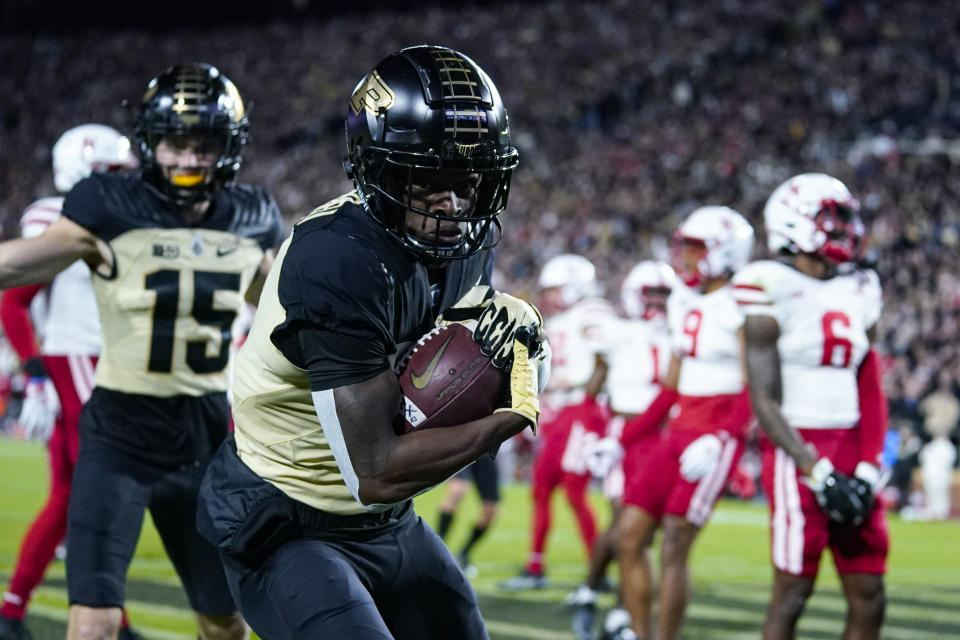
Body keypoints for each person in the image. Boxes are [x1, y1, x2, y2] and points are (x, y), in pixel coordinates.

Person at [195, 45, 546, 640]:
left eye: (469, 180)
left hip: (386, 522)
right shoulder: (337, 258)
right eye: (430, 178)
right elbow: (376, 470)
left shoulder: (466, 241)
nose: (454, 204)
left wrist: (506, 337)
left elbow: (441, 370)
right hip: (289, 518)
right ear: (378, 169)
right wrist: (507, 419)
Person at [0, 63, 282, 640]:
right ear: (152, 144)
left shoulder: (252, 219)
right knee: (95, 623)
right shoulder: (107, 205)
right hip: (119, 436)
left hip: (205, 439)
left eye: (202, 146)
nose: (186, 160)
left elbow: (284, 307)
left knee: (226, 623)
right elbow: (17, 263)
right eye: (176, 144)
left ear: (226, 148)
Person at [0, 125, 141, 640]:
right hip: (77, 360)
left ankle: (18, 611)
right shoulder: (57, 213)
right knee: (99, 491)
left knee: (70, 496)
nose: (128, 180)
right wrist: (36, 373)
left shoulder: (118, 216)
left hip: (100, 361)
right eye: (115, 171)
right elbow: (13, 300)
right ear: (87, 171)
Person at [736, 173, 888, 640]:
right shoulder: (766, 283)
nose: (844, 229)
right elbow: (764, 399)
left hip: (851, 446)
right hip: (796, 452)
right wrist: (815, 470)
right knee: (793, 593)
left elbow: (870, 385)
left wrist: (866, 467)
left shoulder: (861, 285)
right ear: (792, 223)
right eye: (832, 218)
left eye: (845, 219)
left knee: (870, 594)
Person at [616, 206, 755, 640]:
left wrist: (722, 438)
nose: (686, 257)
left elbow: (756, 388)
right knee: (628, 535)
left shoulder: (744, 301)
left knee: (675, 542)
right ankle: (640, 634)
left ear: (725, 251)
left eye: (695, 248)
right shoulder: (682, 298)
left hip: (715, 434)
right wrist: (623, 437)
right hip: (678, 431)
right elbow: (672, 386)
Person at [571, 260, 675, 640]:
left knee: (644, 533)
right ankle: (599, 591)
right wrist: (599, 434)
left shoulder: (679, 332)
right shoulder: (614, 332)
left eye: (665, 295)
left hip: (663, 436)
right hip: (623, 433)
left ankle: (613, 606)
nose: (659, 303)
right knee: (624, 526)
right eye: (653, 294)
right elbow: (590, 392)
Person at [499, 253, 613, 591]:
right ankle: (535, 567)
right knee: (541, 489)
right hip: (561, 416)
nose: (548, 296)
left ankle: (598, 570)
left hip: (582, 413)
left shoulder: (593, 312)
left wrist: (578, 387)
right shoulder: (561, 320)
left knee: (576, 493)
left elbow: (604, 361)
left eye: (556, 288)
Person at [435, 453, 502, 577]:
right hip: (464, 443)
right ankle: (437, 551)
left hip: (487, 449)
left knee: (491, 510)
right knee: (457, 491)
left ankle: (463, 554)